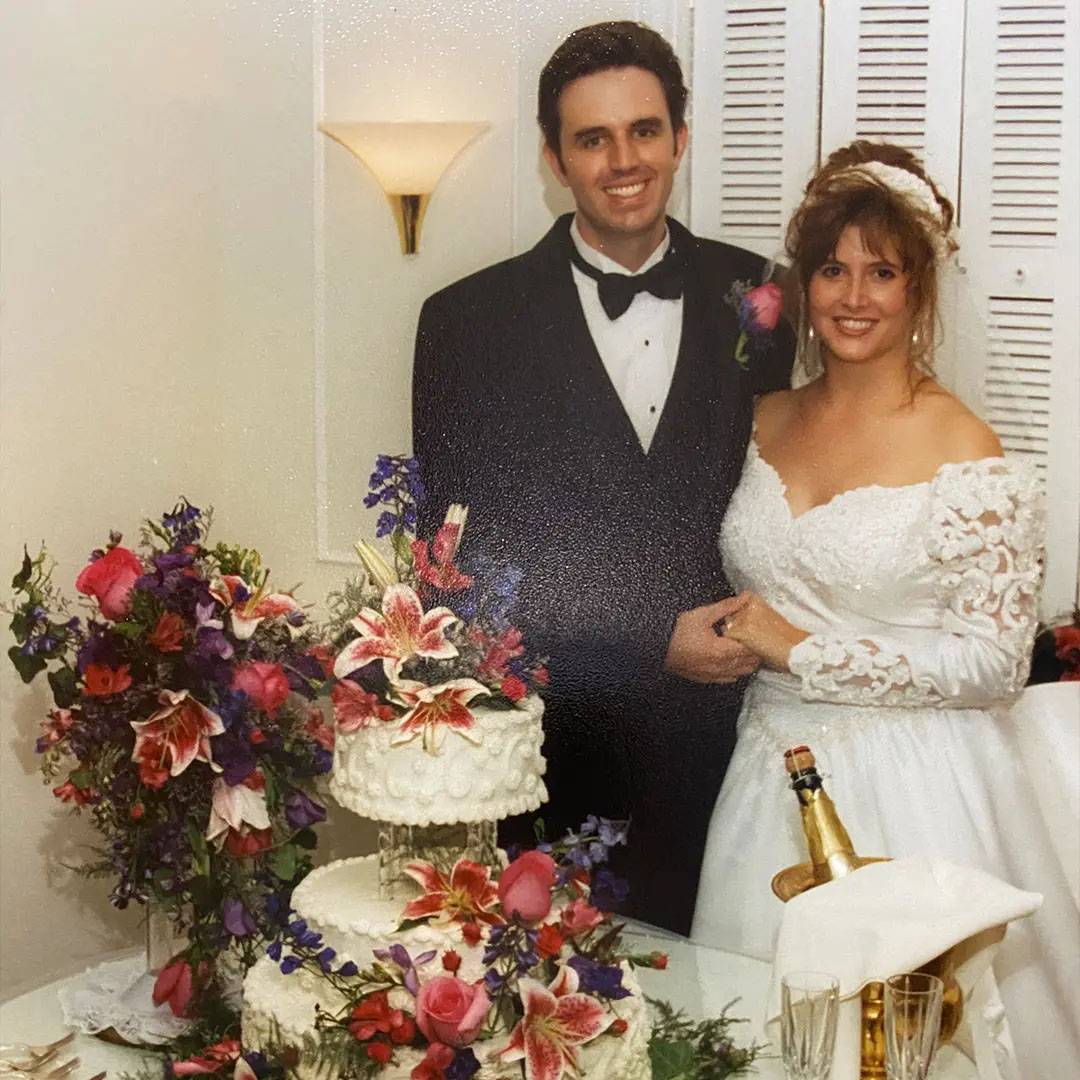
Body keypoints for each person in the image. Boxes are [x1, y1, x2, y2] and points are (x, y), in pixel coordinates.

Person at [690, 139, 1080, 1077]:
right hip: (764, 780)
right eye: (832, 269)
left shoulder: (965, 446)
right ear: (804, 284)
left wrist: (800, 650)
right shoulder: (761, 418)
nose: (854, 296)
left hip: (918, 792)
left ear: (920, 289)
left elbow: (992, 665)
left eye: (882, 271)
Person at [412, 21, 794, 934]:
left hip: (732, 754)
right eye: (593, 139)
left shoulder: (765, 297)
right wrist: (644, 638)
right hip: (559, 752)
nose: (625, 160)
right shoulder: (465, 322)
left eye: (645, 131)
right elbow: (462, 567)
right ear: (555, 158)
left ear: (680, 138)